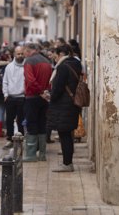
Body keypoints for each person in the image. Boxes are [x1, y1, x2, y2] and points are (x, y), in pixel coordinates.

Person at [47, 43, 82, 172]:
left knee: (64, 135)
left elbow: (58, 88)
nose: (55, 59)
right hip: (73, 104)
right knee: (68, 134)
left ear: (61, 54)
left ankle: (67, 164)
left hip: (64, 105)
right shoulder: (76, 63)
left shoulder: (62, 67)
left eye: (55, 56)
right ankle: (68, 162)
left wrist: (51, 96)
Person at [23, 42, 52, 162]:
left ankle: (31, 155)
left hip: (33, 96)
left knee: (31, 123)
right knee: (42, 123)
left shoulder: (29, 61)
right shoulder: (47, 61)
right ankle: (42, 154)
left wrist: (39, 91)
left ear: (29, 50)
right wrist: (45, 92)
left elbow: (30, 80)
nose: (24, 53)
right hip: (44, 97)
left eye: (25, 51)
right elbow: (51, 79)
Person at [2, 45, 25, 149]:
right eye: (18, 54)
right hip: (10, 97)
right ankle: (10, 139)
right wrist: (6, 94)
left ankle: (21, 139)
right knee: (9, 120)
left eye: (21, 53)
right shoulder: (9, 67)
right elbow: (5, 81)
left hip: (22, 97)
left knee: (21, 120)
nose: (20, 56)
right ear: (14, 54)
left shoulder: (27, 66)